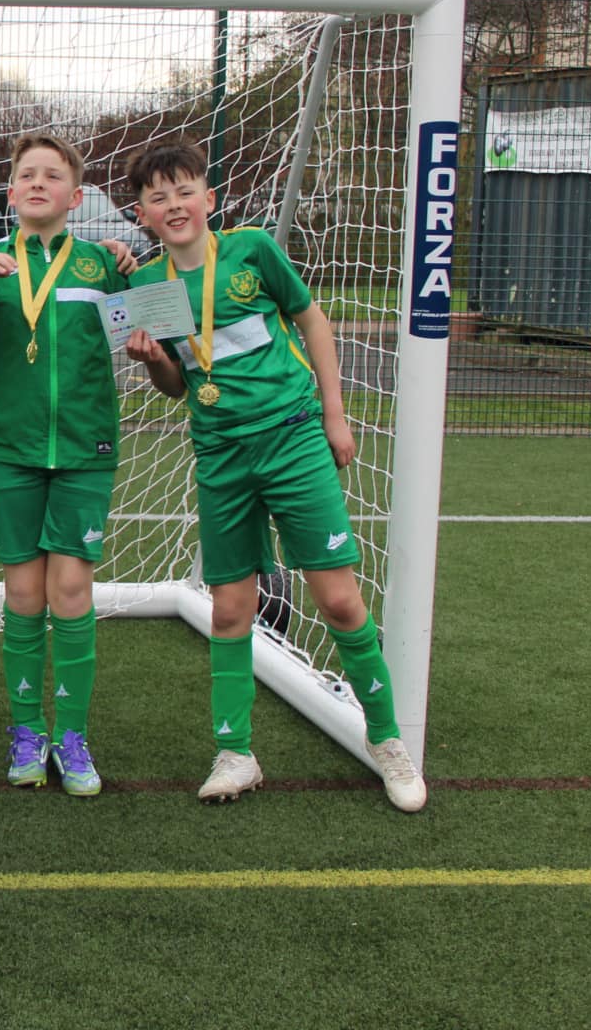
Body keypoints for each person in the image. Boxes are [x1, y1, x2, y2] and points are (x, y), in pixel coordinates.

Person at [123, 138, 426, 811]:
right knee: (231, 608)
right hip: (222, 456)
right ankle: (236, 753)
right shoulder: (147, 287)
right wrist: (150, 361)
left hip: (292, 440)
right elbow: (177, 384)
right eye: (157, 197)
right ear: (142, 214)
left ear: (208, 198)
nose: (173, 204)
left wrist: (335, 414)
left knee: (340, 601)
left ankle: (386, 741)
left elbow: (311, 321)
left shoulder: (252, 250)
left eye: (183, 190)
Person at [0, 135, 128, 796]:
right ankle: (27, 732)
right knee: (23, 595)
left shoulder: (102, 266)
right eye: (25, 174)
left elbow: (137, 338)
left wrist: (132, 271)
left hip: (86, 451)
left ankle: (73, 737)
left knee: (71, 593)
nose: (37, 183)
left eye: (52, 176)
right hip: (13, 450)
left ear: (75, 197)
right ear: (9, 191)